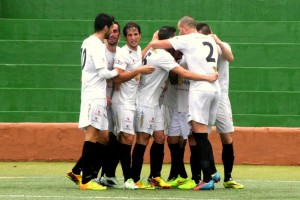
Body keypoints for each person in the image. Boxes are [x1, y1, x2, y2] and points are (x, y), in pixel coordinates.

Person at [130, 26, 218, 189]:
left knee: (160, 138)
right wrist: (207, 77)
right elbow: (183, 73)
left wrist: (152, 42)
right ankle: (133, 179)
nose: (176, 44)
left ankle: (155, 176)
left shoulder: (153, 51)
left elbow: (138, 61)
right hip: (145, 103)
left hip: (155, 104)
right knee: (142, 139)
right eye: (173, 40)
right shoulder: (164, 56)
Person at [66, 13, 119, 190]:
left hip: (96, 95)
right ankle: (86, 179)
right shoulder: (96, 45)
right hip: (94, 96)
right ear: (105, 28)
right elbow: (103, 73)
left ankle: (77, 171)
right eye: (111, 28)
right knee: (91, 135)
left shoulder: (87, 42)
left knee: (104, 137)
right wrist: (119, 71)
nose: (112, 32)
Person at [196, 22, 244, 189]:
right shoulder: (197, 48)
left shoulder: (220, 45)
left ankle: (228, 177)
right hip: (205, 94)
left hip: (221, 96)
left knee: (227, 137)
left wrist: (218, 41)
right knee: (202, 136)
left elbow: (230, 57)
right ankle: (209, 174)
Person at [110, 22, 155, 189]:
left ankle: (113, 175)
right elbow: (117, 77)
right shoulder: (121, 53)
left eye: (136, 34)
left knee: (125, 138)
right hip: (122, 101)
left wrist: (152, 43)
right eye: (130, 35)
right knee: (127, 137)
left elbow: (137, 62)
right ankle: (128, 179)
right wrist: (138, 71)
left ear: (140, 35)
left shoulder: (138, 50)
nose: (133, 37)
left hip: (133, 101)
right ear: (125, 37)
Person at [93, 21, 122, 188]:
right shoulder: (99, 50)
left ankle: (108, 174)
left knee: (117, 138)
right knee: (102, 139)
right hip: (101, 100)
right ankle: (89, 172)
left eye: (116, 31)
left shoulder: (121, 52)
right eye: (111, 31)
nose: (112, 34)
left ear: (119, 34)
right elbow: (87, 76)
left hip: (116, 102)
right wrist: (103, 94)